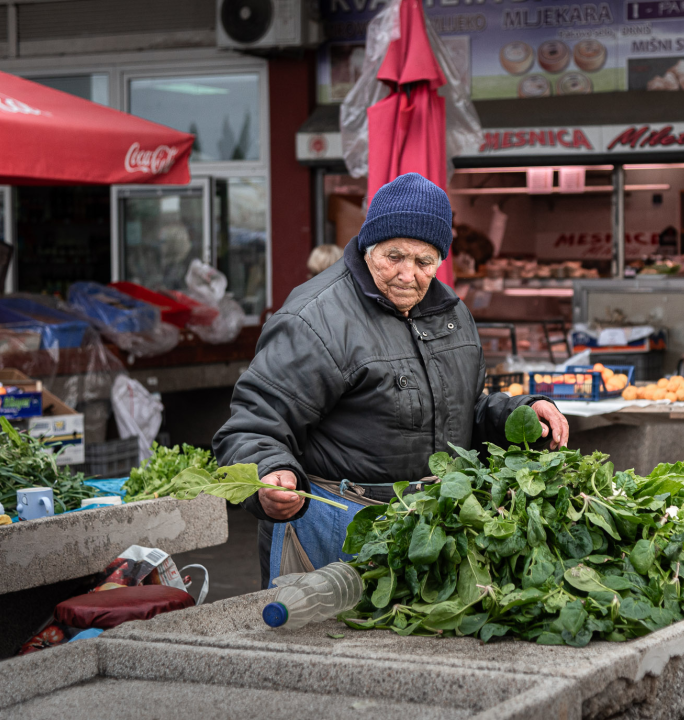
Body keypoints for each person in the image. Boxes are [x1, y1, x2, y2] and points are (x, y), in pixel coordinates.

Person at [214, 173, 569, 588]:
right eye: (394, 256)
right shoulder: (314, 319)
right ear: (369, 246)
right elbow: (253, 425)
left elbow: (463, 410)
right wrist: (270, 472)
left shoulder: (451, 313)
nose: (407, 274)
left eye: (424, 262)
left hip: (429, 531)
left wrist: (520, 414)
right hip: (335, 532)